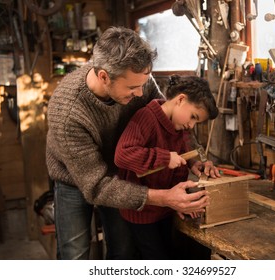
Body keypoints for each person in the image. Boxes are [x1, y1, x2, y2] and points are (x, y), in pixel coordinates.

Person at [46, 26, 218, 260]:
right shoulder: (68, 113)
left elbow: (169, 121)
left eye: (143, 85)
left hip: (119, 172)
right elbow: (96, 186)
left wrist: (194, 158)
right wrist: (164, 197)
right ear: (104, 76)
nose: (140, 93)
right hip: (76, 178)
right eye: (132, 88)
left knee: (124, 249)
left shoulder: (137, 78)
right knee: (75, 253)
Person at [114, 75, 220, 259]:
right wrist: (163, 158)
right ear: (180, 99)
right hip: (143, 214)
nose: (191, 125)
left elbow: (182, 154)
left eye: (197, 122)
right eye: (193, 117)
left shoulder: (179, 127)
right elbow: (122, 155)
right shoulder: (146, 117)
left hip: (166, 209)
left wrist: (195, 163)